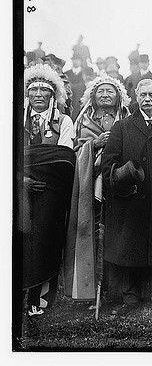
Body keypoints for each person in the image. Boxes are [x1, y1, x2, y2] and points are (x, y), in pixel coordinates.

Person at [101, 79, 152, 313]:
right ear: (136, 97)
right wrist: (120, 179)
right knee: (131, 245)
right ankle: (131, 294)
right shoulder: (122, 127)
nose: (147, 100)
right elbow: (109, 163)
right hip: (130, 198)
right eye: (143, 95)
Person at [64, 76, 130, 302]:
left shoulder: (127, 117)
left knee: (118, 231)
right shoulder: (83, 119)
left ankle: (117, 289)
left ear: (118, 96)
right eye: (100, 91)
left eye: (110, 91)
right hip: (91, 182)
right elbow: (75, 150)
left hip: (118, 182)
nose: (105, 95)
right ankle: (92, 290)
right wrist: (95, 144)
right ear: (93, 95)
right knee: (92, 231)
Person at [22, 64, 76, 317]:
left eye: (45, 91)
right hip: (19, 189)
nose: (39, 95)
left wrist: (31, 163)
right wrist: (20, 179)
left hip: (51, 191)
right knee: (18, 240)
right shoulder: (15, 121)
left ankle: (39, 298)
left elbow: (63, 158)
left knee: (46, 240)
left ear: (54, 96)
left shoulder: (63, 122)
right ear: (27, 95)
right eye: (34, 91)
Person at [65, 53, 96, 120]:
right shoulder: (67, 73)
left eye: (77, 60)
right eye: (74, 60)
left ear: (81, 61)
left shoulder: (84, 72)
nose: (75, 61)